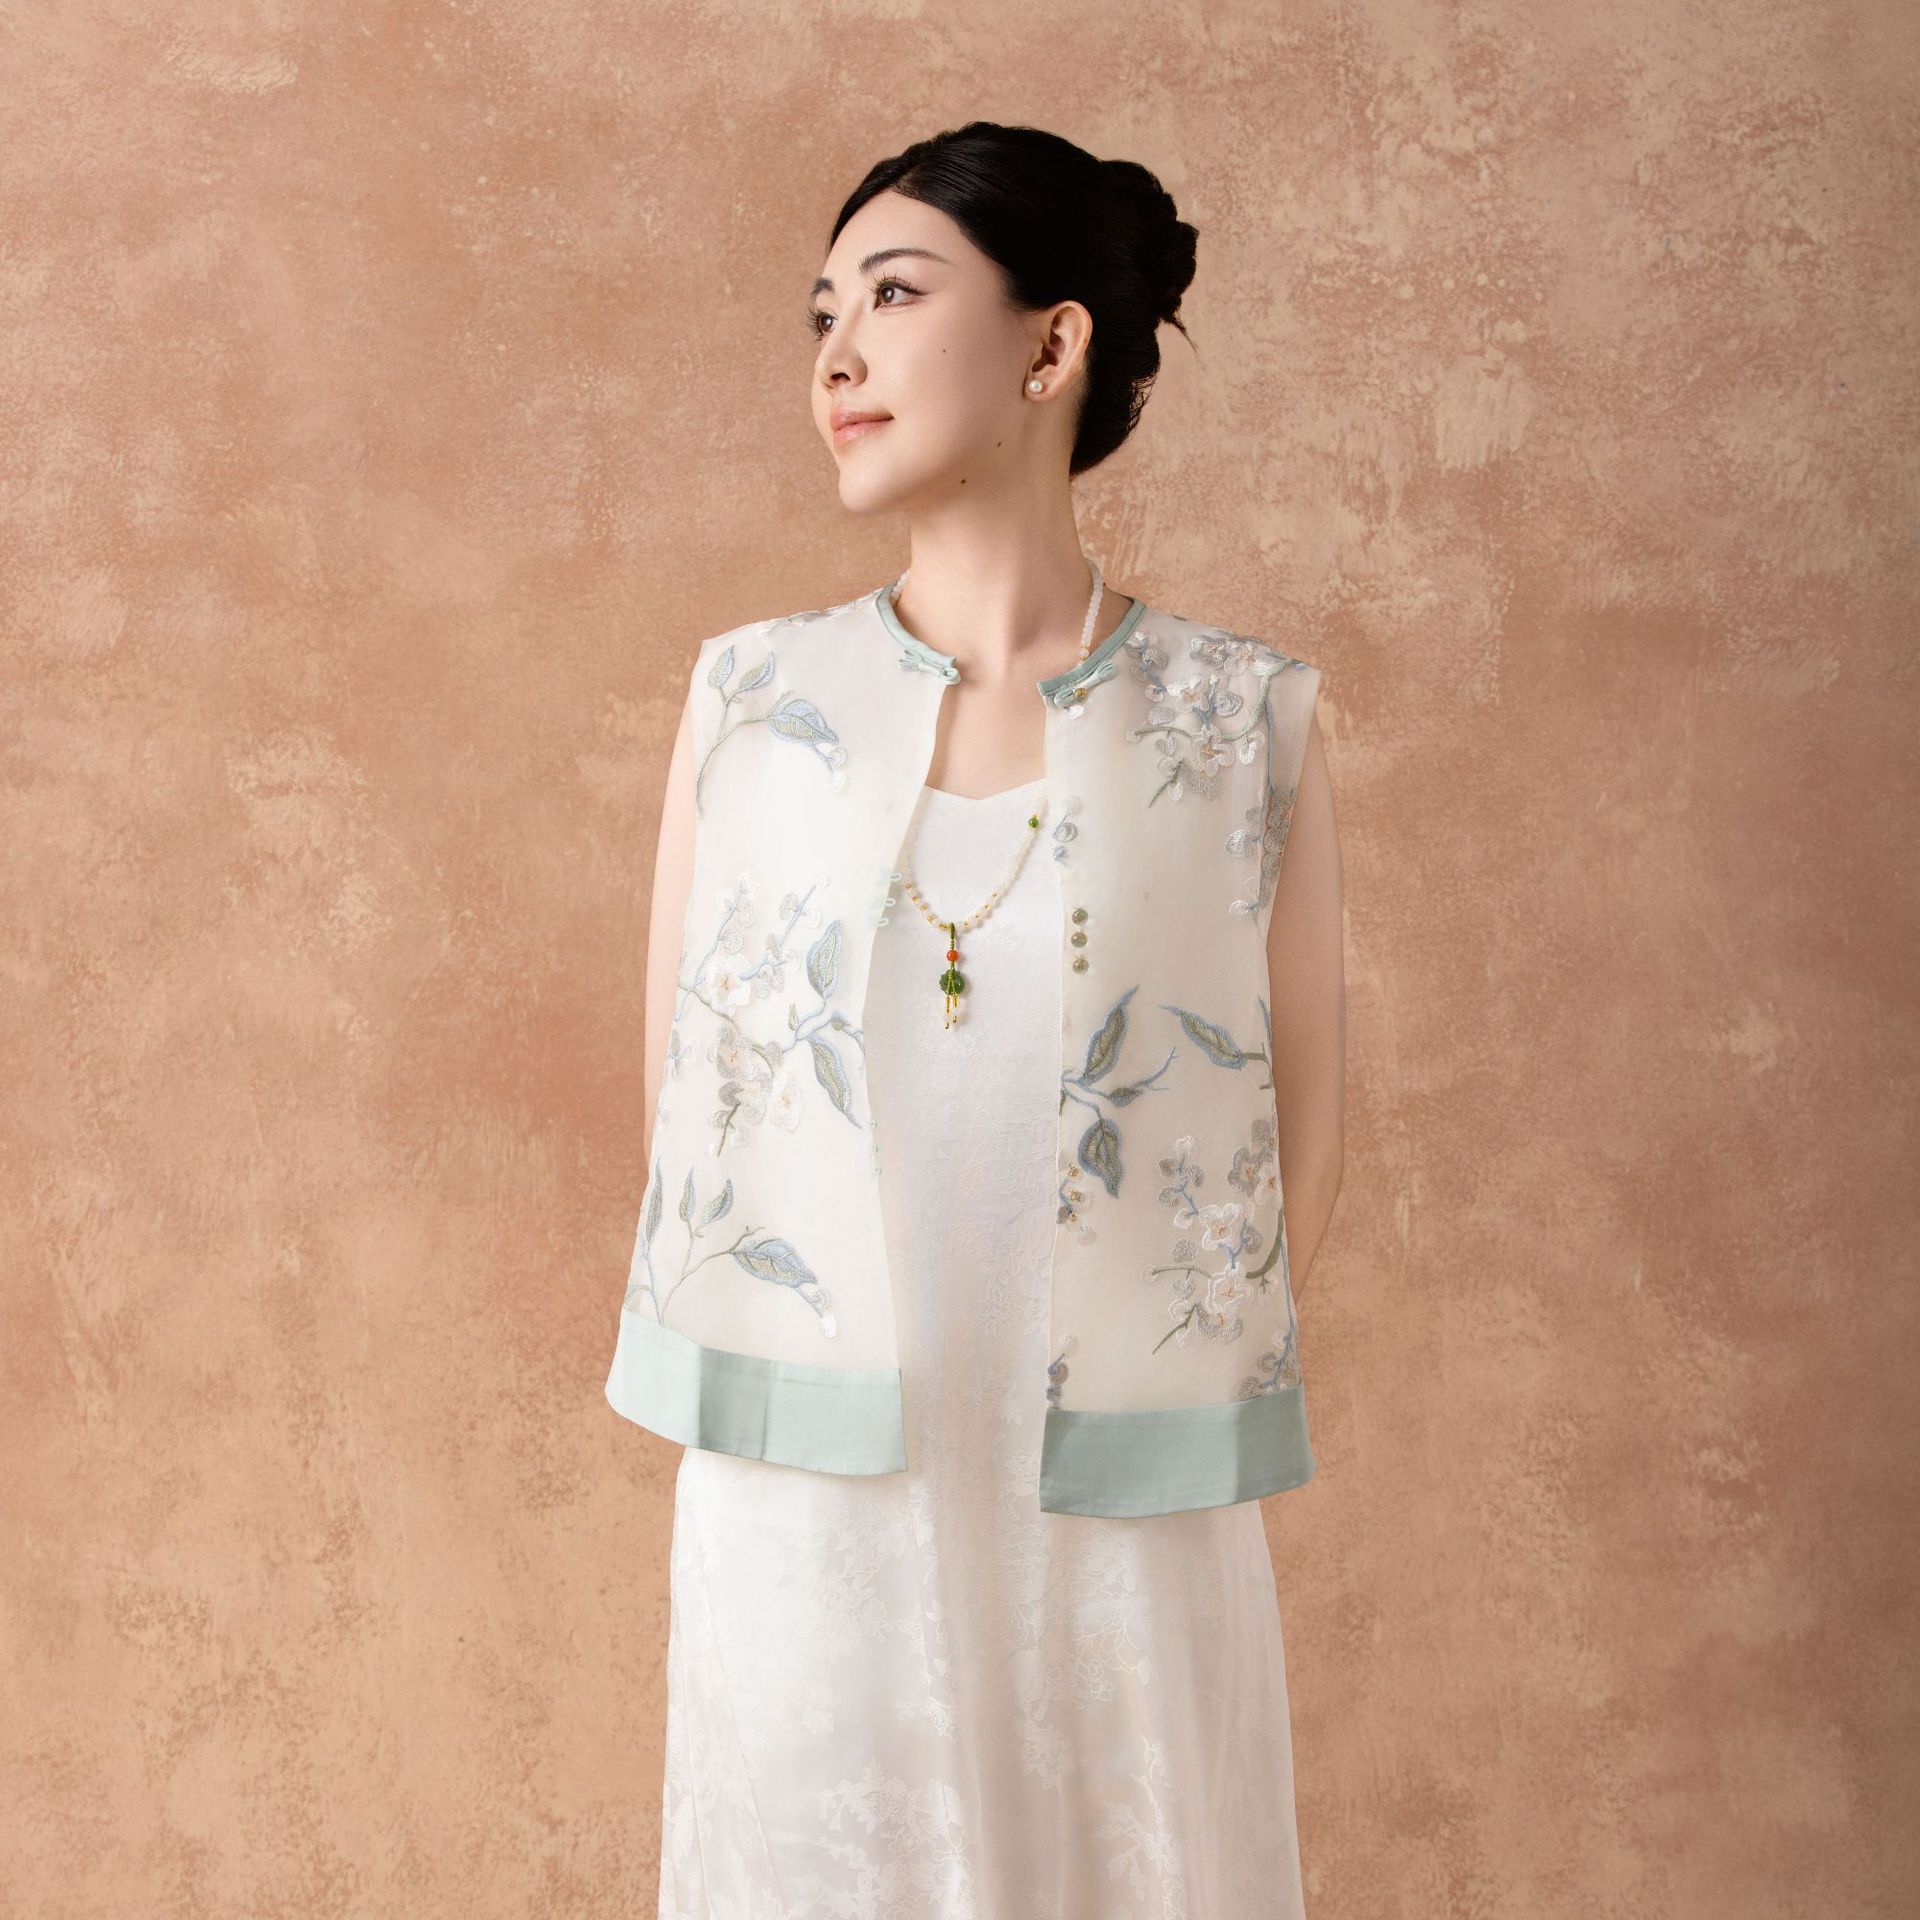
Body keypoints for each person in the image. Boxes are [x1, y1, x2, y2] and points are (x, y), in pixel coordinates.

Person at [635, 120, 1345, 1917]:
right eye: (822, 314)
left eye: (893, 294)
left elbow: (1303, 1135)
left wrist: (1148, 1395)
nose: (837, 356)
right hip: (812, 1498)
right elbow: (686, 1107)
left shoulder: (1236, 720)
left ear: (1052, 345)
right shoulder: (754, 705)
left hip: (1117, 1502)